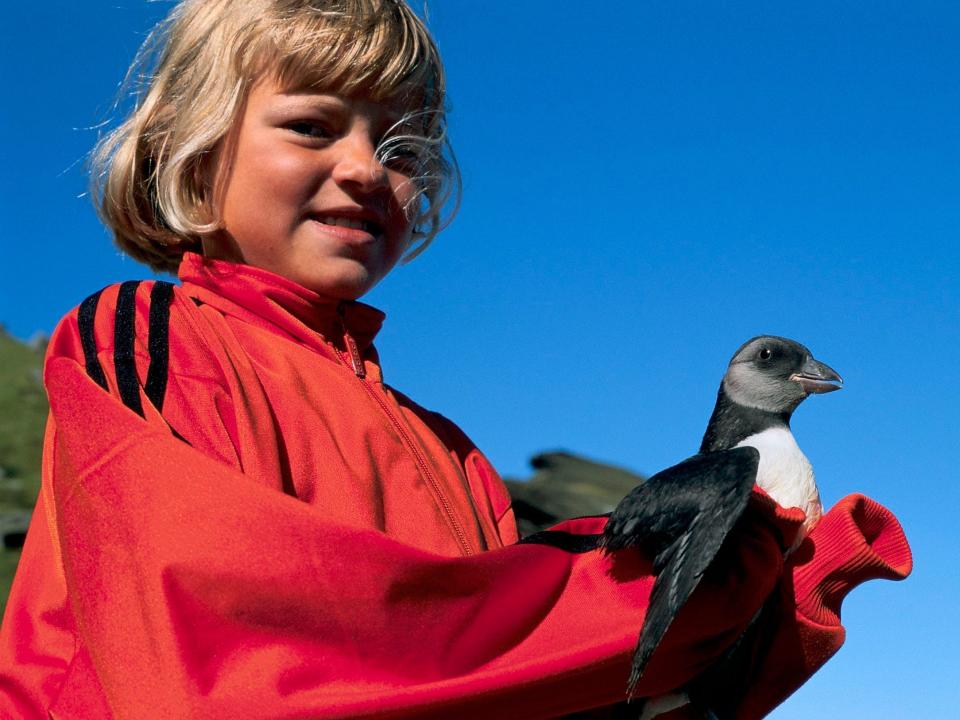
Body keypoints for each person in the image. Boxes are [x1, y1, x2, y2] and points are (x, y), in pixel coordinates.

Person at [0, 1, 911, 717]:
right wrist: (684, 591)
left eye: (402, 146)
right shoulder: (148, 340)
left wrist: (781, 586)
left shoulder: (451, 451)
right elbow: (213, 655)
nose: (366, 168)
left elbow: (541, 688)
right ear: (195, 162)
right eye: (314, 126)